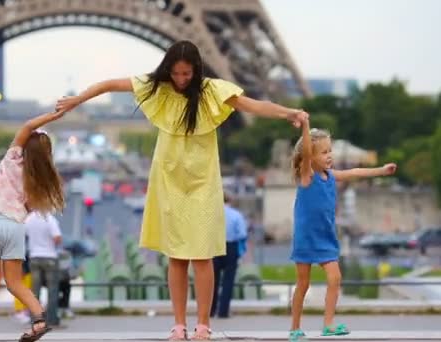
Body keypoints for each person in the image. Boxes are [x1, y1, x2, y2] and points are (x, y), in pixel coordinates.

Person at [56, 40, 308, 340]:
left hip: (202, 180)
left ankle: (203, 324)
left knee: (202, 256)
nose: (181, 80)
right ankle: (178, 324)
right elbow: (110, 84)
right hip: (169, 178)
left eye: (187, 74)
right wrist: (76, 100)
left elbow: (251, 104)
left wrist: (288, 112)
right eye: (175, 73)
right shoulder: (157, 86)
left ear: (197, 70)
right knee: (176, 256)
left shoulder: (213, 90)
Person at [288, 118, 397, 341]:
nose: (329, 155)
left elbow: (356, 172)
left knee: (335, 278)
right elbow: (307, 151)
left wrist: (382, 171)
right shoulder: (307, 176)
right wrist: (306, 126)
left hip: (326, 236)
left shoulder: (332, 176)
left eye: (330, 150)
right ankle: (295, 328)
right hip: (307, 238)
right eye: (323, 152)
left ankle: (328, 324)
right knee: (303, 284)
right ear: (310, 156)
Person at [0, 110, 66, 342]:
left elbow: (26, 125)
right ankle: (40, 318)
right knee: (14, 282)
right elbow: (31, 207)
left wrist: (53, 116)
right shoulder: (39, 179)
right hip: (15, 227)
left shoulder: (12, 158)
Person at [211, 193, 247, 318]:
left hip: (215, 247)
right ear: (229, 200)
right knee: (228, 281)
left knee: (212, 281)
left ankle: (210, 310)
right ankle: (223, 311)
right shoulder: (236, 215)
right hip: (231, 247)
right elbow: (242, 234)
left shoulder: (212, 214)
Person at [25, 211, 63, 328]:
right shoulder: (49, 218)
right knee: (52, 290)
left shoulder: (29, 219)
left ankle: (35, 318)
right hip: (50, 257)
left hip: (34, 257)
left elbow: (24, 234)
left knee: (35, 291)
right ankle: (51, 319)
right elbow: (57, 238)